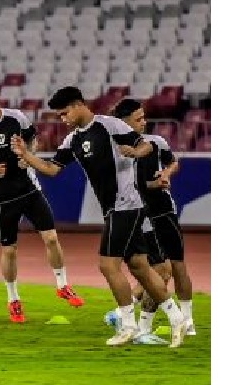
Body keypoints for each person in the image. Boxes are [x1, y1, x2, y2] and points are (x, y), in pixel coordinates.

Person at [12, 86, 188, 347]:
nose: (63, 119)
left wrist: (134, 152)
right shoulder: (72, 140)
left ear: (78, 105)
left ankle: (127, 325)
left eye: (64, 113)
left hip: (126, 204)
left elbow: (145, 146)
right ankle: (177, 318)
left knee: (107, 265)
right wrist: (27, 155)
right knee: (139, 266)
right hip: (114, 208)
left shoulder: (110, 125)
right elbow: (52, 169)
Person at [0, 80, 83, 323]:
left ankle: (62, 285)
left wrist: (29, 155)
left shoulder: (16, 117)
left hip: (29, 189)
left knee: (51, 238)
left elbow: (32, 140)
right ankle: (13, 299)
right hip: (0, 197)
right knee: (9, 250)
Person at [111, 97, 195, 338]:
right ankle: (141, 325)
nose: (144, 122)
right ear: (124, 123)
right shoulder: (116, 152)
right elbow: (132, 186)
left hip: (164, 211)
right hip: (140, 215)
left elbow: (172, 162)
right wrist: (154, 183)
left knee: (175, 266)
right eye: (138, 119)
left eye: (144, 117)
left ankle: (186, 321)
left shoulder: (155, 142)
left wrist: (166, 173)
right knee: (158, 269)